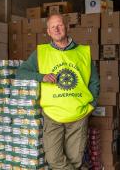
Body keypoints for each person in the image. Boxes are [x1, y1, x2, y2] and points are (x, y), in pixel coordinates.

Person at [17, 14, 100, 169]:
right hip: (52, 115)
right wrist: (41, 77)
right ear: (48, 31)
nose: (56, 29)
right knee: (54, 159)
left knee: (75, 159)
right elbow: (20, 72)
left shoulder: (83, 52)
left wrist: (92, 104)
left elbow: (94, 81)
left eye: (60, 25)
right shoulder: (41, 53)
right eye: (52, 26)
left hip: (78, 115)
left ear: (67, 27)